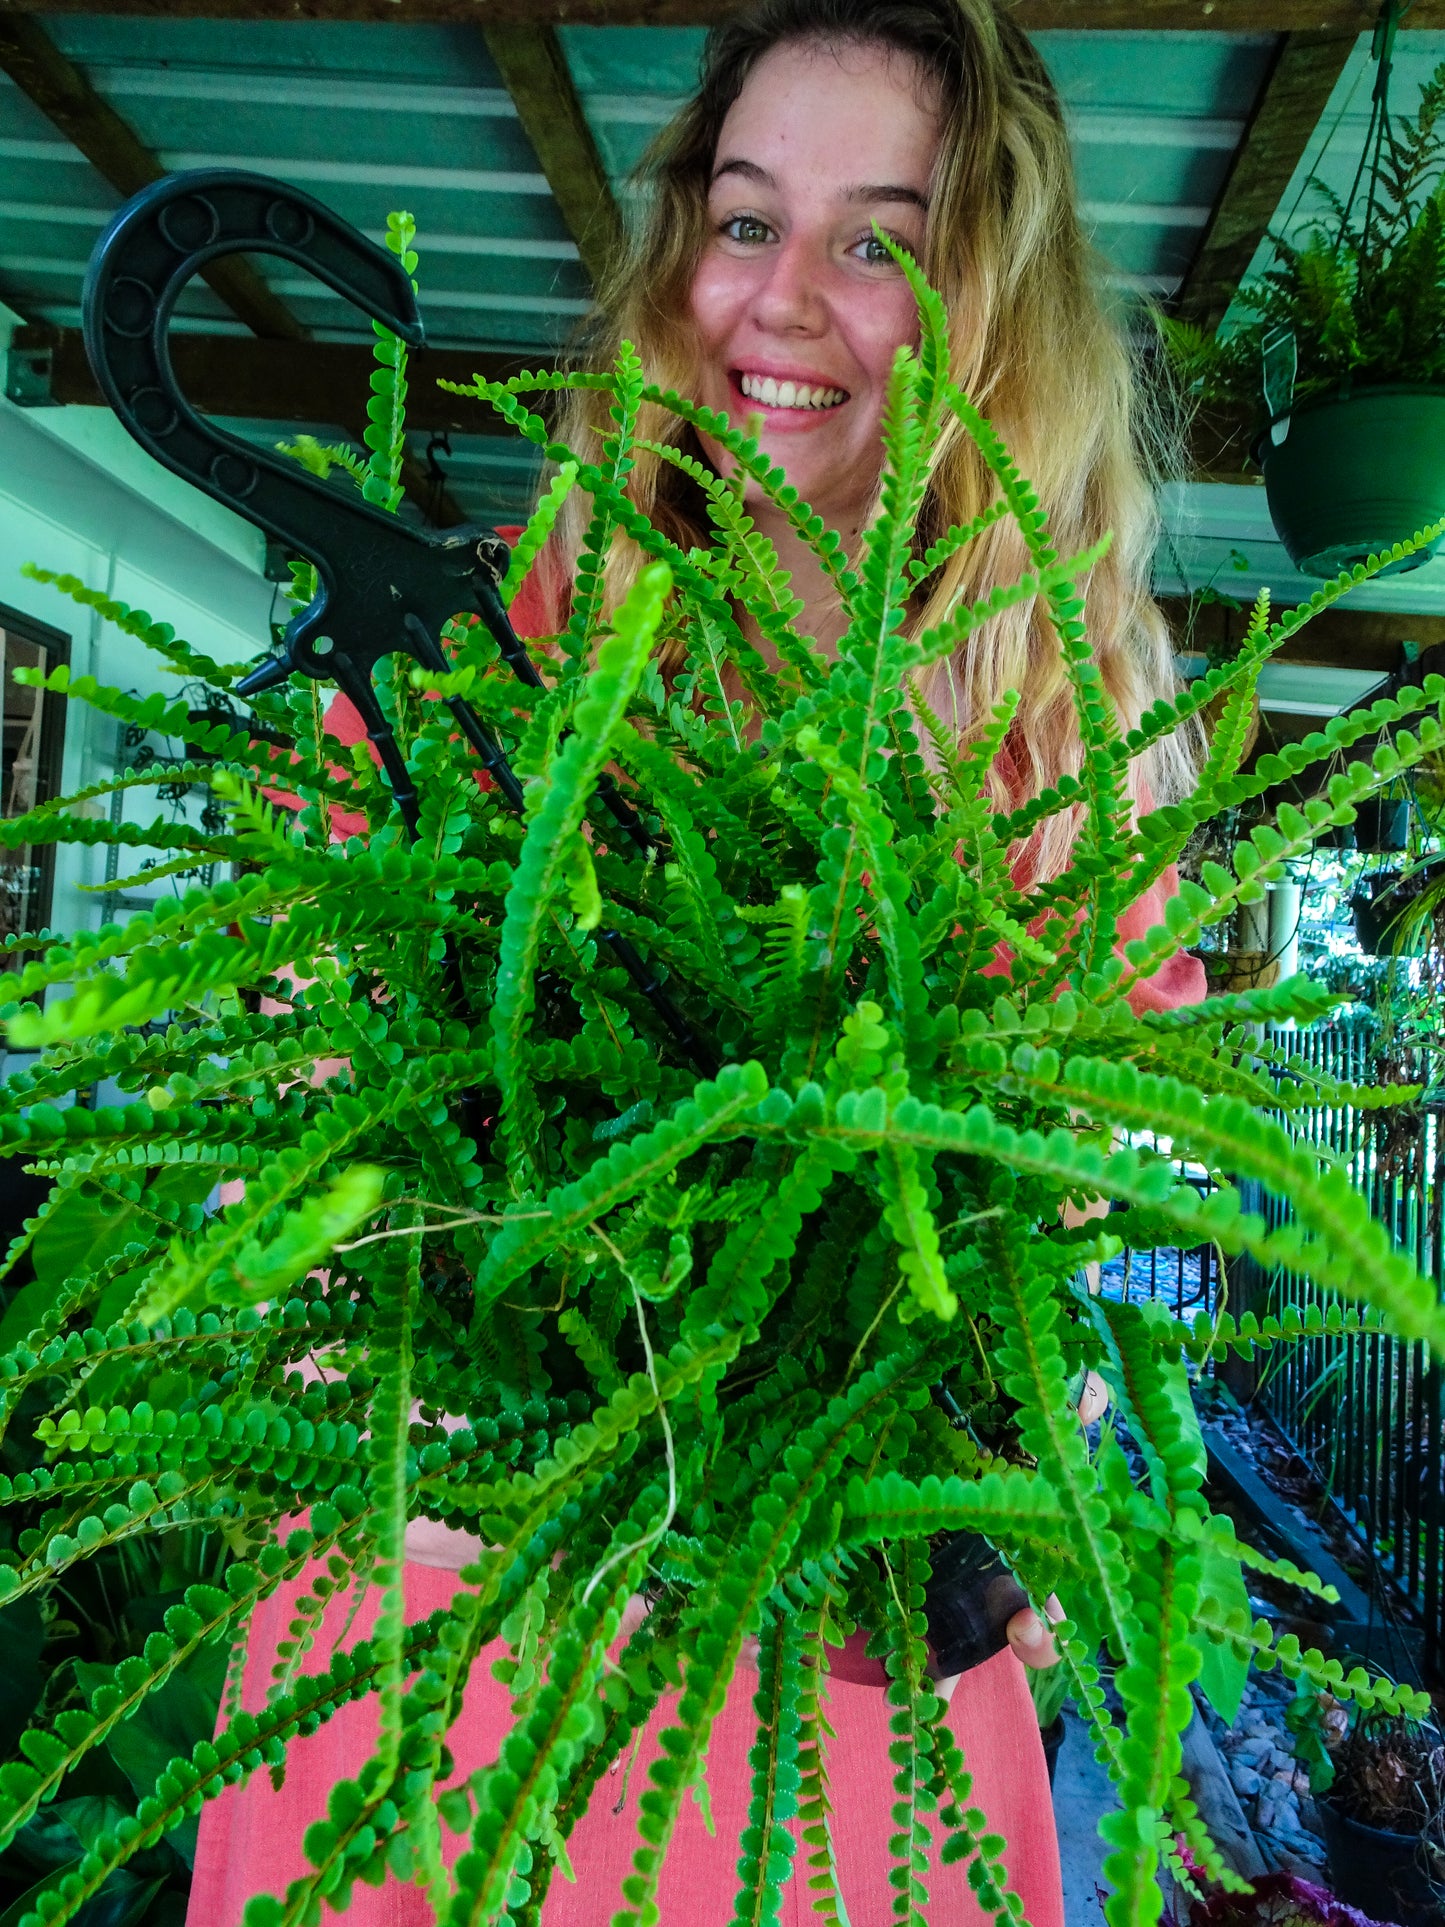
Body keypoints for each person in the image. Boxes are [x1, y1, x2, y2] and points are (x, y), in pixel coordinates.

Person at [187, 3, 1207, 1923]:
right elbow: (293, 1155)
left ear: (997, 313)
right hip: (438, 1657)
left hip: (833, 1721)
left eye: (879, 241)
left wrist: (1008, 1476)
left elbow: (1087, 1267)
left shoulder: (1069, 761)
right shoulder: (493, 679)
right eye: (745, 221)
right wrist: (359, 1294)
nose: (782, 301)